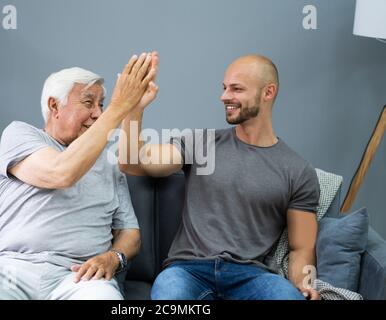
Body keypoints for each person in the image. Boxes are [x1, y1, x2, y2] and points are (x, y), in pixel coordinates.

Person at [0, 53, 157, 300]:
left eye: (102, 104)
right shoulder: (19, 135)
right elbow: (61, 173)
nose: (97, 113)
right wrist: (118, 108)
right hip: (8, 270)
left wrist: (113, 257)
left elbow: (130, 233)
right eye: (88, 102)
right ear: (54, 106)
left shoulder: (109, 164)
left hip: (79, 277)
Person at [119, 53, 321, 300]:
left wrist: (306, 284)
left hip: (252, 276)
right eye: (224, 88)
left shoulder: (298, 170)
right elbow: (132, 162)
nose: (224, 96)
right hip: (187, 271)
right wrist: (134, 107)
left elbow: (302, 246)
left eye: (236, 89)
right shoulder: (202, 144)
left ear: (268, 92)